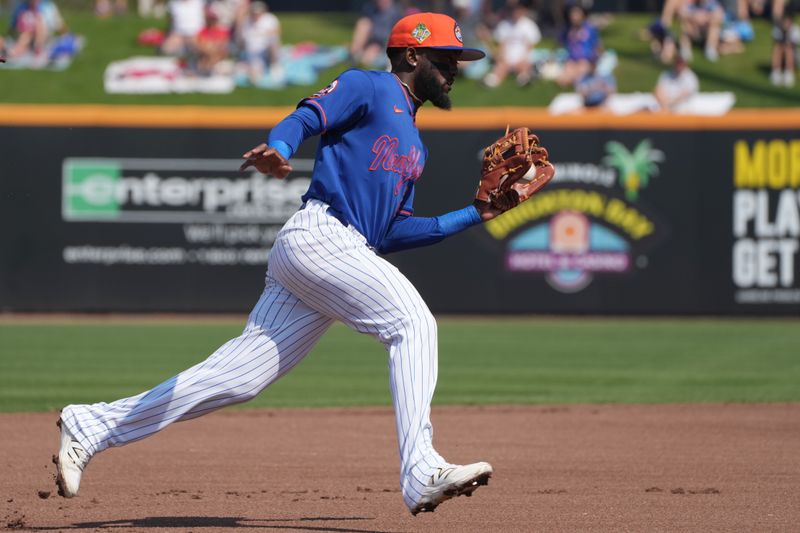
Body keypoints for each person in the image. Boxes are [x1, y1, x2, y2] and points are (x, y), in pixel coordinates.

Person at [54, 12, 511, 516]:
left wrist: (477, 212)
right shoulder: (369, 87)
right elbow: (304, 118)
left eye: (457, 61)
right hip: (320, 236)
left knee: (237, 378)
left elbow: (389, 233)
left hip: (341, 250)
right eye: (446, 59)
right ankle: (421, 469)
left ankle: (90, 425)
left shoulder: (416, 147)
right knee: (413, 322)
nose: (454, 71)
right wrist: (279, 146)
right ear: (411, 55)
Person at [483, 0, 542, 88]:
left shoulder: (529, 25)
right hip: (508, 56)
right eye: (515, 10)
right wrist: (503, 56)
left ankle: (523, 77)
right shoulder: (504, 25)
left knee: (524, 66)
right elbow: (502, 44)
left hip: (522, 56)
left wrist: (524, 57)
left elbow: (530, 45)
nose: (517, 12)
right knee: (501, 66)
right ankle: (494, 79)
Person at [557, 2, 601, 87]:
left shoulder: (590, 29)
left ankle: (575, 79)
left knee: (581, 68)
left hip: (585, 60)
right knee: (563, 77)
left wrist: (595, 61)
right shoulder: (568, 29)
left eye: (577, 14)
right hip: (571, 59)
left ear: (583, 16)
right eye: (572, 14)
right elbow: (560, 42)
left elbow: (597, 46)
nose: (574, 17)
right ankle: (571, 79)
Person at [349, 0, 402, 68]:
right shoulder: (371, 9)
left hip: (384, 46)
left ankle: (358, 56)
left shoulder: (396, 13)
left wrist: (377, 45)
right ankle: (355, 50)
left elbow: (392, 36)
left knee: (368, 57)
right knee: (364, 23)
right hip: (370, 42)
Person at [770, 7, 799, 87]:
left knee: (788, 49)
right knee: (777, 49)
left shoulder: (795, 30)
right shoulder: (777, 29)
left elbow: (792, 46)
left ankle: (789, 73)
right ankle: (776, 71)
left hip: (793, 57)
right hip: (781, 55)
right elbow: (777, 44)